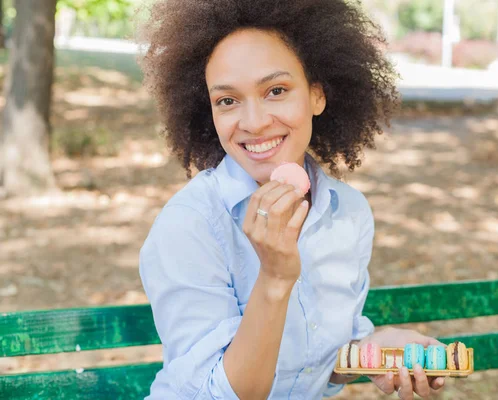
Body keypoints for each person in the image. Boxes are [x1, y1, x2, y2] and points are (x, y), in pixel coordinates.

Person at [138, 0, 446, 398]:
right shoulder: (189, 224)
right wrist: (275, 277)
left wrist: (375, 350)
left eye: (276, 90)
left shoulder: (348, 213)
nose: (253, 122)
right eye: (227, 100)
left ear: (317, 96)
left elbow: (318, 365)